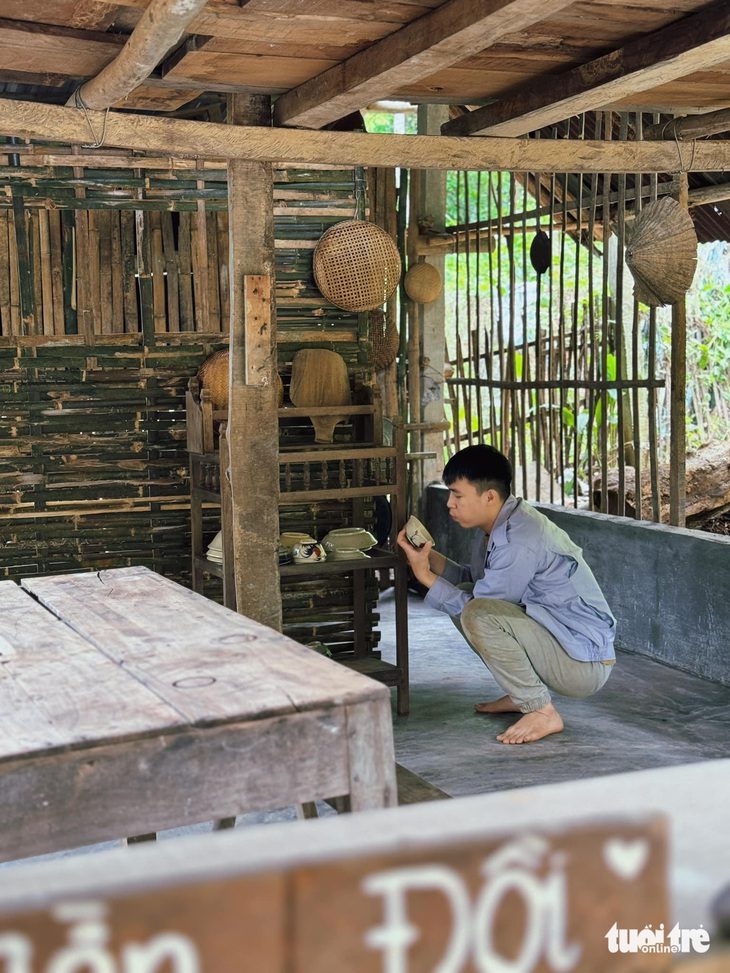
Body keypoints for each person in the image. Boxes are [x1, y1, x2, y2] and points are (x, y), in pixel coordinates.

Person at [397, 444, 616, 745]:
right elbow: (475, 584)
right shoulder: (498, 527)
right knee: (465, 600)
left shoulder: (519, 538)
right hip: (562, 646)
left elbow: (478, 607)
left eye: (458, 495)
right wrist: (430, 559)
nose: (449, 504)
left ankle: (541, 710)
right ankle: (522, 693)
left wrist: (424, 576)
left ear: (489, 496)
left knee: (475, 613)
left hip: (583, 665)